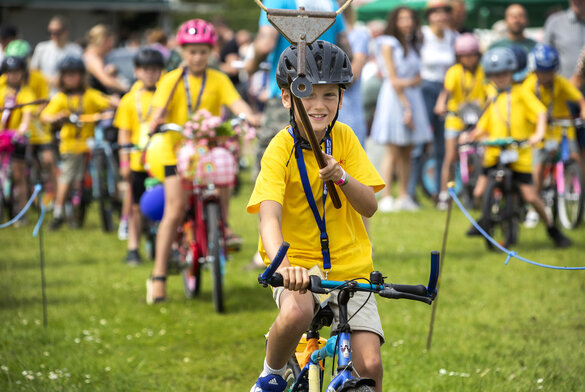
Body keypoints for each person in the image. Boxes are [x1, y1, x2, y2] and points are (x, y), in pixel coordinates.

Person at [247, 40, 385, 392]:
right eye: (309, 94)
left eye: (330, 95)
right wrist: (283, 265)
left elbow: (369, 206)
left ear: (341, 99)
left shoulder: (346, 138)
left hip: (350, 265)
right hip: (297, 265)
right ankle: (271, 375)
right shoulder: (280, 148)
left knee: (369, 364)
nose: (320, 105)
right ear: (286, 98)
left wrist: (341, 176)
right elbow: (269, 218)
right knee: (295, 313)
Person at [145, 19, 259, 304]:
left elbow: (236, 103)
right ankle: (158, 278)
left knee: (224, 170)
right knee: (175, 209)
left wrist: (250, 116)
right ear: (182, 52)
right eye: (192, 51)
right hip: (174, 152)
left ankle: (221, 224)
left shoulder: (218, 78)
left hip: (206, 150)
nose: (197, 57)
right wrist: (155, 120)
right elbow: (157, 109)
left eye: (203, 52)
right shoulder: (171, 80)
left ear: (211, 52)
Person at [463, 47, 571, 247]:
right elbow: (484, 122)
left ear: (512, 72)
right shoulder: (492, 96)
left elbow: (540, 113)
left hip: (518, 154)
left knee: (530, 195)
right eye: (495, 74)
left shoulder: (521, 93)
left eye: (504, 73)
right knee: (478, 193)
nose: (500, 78)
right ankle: (488, 217)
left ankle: (551, 228)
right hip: (494, 153)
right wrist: (473, 134)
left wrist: (538, 133)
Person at [244, 0, 348, 180]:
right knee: (320, 157)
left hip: (288, 93)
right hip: (325, 95)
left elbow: (265, 44)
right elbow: (346, 46)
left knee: (273, 158)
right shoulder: (330, 3)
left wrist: (249, 67)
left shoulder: (278, 1)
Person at [41, 56, 118, 230]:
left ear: (81, 76)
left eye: (74, 74)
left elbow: (105, 101)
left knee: (103, 165)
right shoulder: (60, 98)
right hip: (70, 145)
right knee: (67, 176)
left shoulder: (90, 95)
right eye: (67, 75)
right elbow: (46, 115)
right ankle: (58, 213)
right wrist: (57, 117)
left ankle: (110, 199)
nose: (70, 78)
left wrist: (115, 103)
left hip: (90, 144)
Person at [371, 7, 431, 212]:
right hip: (396, 100)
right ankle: (387, 196)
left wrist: (410, 84)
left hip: (412, 98)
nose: (406, 22)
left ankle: (404, 195)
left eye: (409, 18)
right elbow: (394, 79)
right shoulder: (388, 43)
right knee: (393, 149)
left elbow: (418, 77)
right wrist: (407, 106)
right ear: (395, 21)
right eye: (402, 19)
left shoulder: (413, 44)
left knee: (408, 150)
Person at [522, 44, 585, 228]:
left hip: (563, 128)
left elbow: (579, 98)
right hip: (541, 130)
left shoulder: (560, 82)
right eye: (542, 72)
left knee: (575, 159)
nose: (546, 76)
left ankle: (573, 193)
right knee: (539, 168)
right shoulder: (528, 85)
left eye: (550, 71)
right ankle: (534, 209)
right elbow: (536, 109)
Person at [114, 48, 165, 265]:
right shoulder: (128, 100)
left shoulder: (166, 94)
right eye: (145, 70)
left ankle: (168, 245)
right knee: (134, 206)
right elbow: (123, 132)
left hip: (162, 159)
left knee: (168, 204)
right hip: (137, 161)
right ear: (136, 71)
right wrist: (124, 162)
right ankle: (133, 248)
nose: (150, 74)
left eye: (155, 70)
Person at [408, 0, 456, 204]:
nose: (441, 16)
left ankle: (440, 193)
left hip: (446, 91)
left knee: (441, 145)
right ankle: (410, 192)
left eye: (444, 12)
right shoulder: (422, 36)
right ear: (429, 16)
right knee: (419, 142)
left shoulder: (454, 37)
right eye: (436, 13)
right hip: (424, 90)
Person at [435, 33, 486, 210]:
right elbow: (445, 92)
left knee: (485, 154)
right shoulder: (454, 72)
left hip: (478, 119)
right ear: (459, 56)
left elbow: (490, 92)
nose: (469, 58)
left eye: (472, 54)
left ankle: (483, 191)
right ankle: (444, 194)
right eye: (464, 55)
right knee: (450, 157)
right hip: (456, 118)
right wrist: (441, 104)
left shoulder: (483, 71)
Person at [2, 39, 56, 208]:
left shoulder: (37, 79)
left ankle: (53, 195)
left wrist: (34, 115)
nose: (14, 71)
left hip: (35, 126)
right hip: (10, 131)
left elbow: (43, 101)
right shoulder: (3, 82)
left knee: (48, 160)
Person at [0, 56, 35, 222]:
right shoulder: (0, 86)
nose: (13, 75)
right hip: (0, 137)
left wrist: (21, 130)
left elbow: (27, 116)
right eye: (9, 72)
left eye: (16, 72)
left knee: (19, 175)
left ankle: (21, 213)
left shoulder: (26, 92)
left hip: (15, 138)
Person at [29, 15, 83, 97]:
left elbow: (82, 74)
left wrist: (64, 82)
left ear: (66, 32)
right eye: (50, 32)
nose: (53, 35)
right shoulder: (41, 48)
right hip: (46, 96)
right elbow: (33, 72)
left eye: (57, 32)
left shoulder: (76, 50)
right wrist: (51, 80)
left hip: (70, 97)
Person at [83, 24, 129, 95]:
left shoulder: (93, 56)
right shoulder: (93, 58)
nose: (112, 45)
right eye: (111, 41)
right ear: (104, 40)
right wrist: (128, 90)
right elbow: (106, 81)